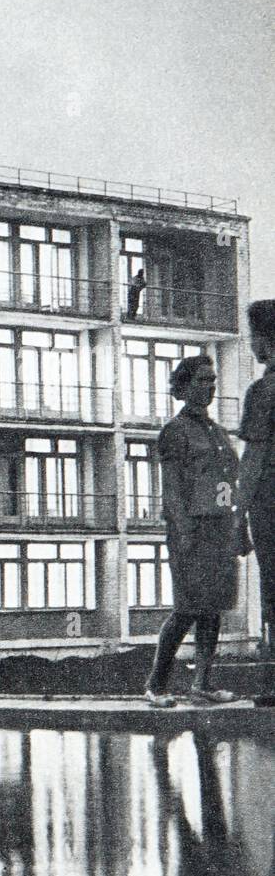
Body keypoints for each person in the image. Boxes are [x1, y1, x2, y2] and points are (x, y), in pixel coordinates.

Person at [144, 356, 249, 707]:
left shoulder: (218, 432)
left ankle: (202, 684)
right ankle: (156, 686)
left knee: (213, 608)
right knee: (188, 608)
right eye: (202, 380)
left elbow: (230, 485)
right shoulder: (175, 431)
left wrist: (238, 527)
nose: (210, 386)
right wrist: (184, 534)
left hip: (220, 529)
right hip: (192, 531)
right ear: (184, 386)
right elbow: (172, 490)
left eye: (213, 380)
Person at [237, 299, 275, 652]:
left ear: (265, 338)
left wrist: (237, 520)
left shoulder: (263, 392)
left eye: (253, 335)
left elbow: (253, 460)